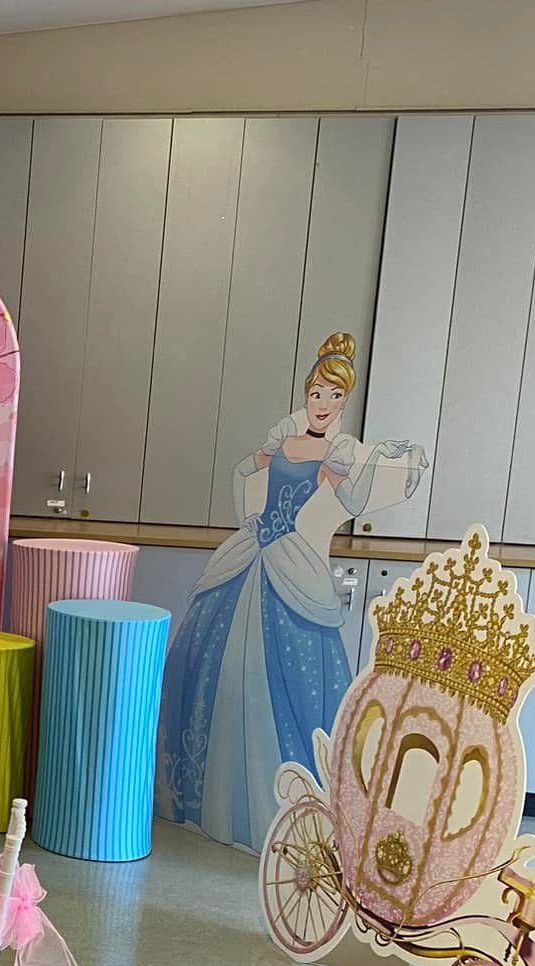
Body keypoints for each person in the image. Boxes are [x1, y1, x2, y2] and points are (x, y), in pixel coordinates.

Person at [156, 333, 430, 852]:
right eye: (316, 394)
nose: (323, 404)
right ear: (306, 395)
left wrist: (381, 463)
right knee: (210, 660)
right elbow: (244, 471)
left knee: (292, 675)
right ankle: (201, 798)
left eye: (334, 396)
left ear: (344, 402)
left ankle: (285, 803)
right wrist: (249, 516)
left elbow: (353, 499)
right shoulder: (284, 443)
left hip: (291, 559)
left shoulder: (333, 454)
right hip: (255, 549)